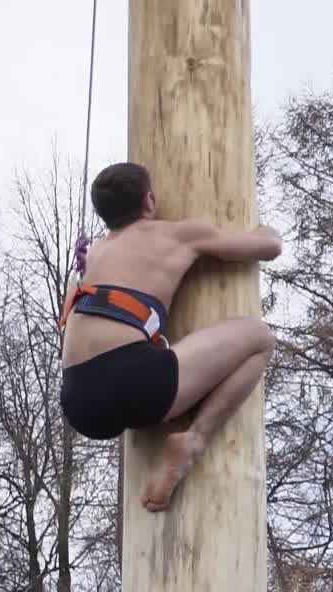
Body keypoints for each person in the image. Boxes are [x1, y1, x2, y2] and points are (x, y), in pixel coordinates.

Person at [59, 161, 281, 512]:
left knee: (133, 372)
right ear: (149, 201)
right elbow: (268, 248)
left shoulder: (92, 256)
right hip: (135, 380)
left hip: (77, 402)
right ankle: (194, 439)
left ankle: (162, 419)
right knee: (260, 338)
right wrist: (268, 230)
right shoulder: (177, 234)